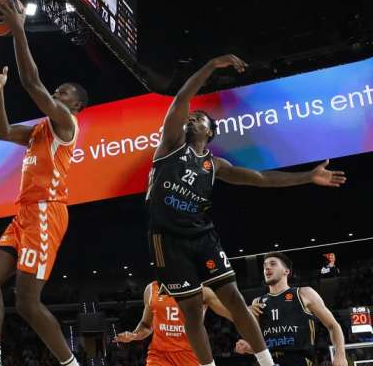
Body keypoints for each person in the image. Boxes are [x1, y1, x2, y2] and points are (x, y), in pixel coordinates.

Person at [145, 54, 347, 366]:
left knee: (234, 298)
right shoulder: (171, 144)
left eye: (199, 117)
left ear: (210, 132)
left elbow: (262, 179)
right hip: (167, 239)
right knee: (192, 311)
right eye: (191, 116)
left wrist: (307, 176)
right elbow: (183, 97)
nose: (191, 118)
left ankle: (267, 363)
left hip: (201, 235)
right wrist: (211, 66)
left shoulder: (216, 165)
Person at [0, 0, 89, 366]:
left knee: (26, 302)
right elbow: (3, 131)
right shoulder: (41, 129)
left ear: (75, 105)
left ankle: (70, 364)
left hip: (46, 212)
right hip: (23, 213)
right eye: (58, 90)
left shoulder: (66, 125)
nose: (58, 91)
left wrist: (19, 30)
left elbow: (31, 82)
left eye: (65, 92)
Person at [235, 253, 347, 366]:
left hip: (300, 360)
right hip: (269, 361)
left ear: (286, 271)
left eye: (273, 264)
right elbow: (260, 345)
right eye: (264, 266)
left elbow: (333, 326)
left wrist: (340, 355)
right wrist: (248, 347)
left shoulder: (304, 293)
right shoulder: (257, 302)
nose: (267, 268)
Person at [115, 283, 232, 366]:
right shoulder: (151, 289)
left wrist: (249, 330)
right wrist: (134, 335)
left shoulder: (202, 289)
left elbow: (233, 314)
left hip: (191, 354)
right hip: (159, 355)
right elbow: (146, 325)